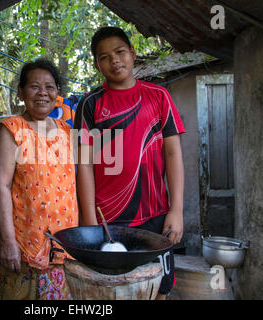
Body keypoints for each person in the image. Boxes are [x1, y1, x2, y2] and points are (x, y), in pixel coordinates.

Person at [74, 27, 185, 300]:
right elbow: (84, 165)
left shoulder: (159, 97)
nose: (114, 60)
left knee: (160, 289)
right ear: (97, 64)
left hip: (155, 216)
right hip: (108, 220)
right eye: (104, 57)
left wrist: (177, 210)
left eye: (120, 52)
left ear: (133, 53)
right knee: (113, 293)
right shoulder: (89, 104)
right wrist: (90, 224)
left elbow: (173, 154)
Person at [0, 58, 78, 300]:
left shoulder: (66, 131)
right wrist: (9, 242)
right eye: (34, 86)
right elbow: (0, 186)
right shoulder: (12, 130)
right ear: (21, 92)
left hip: (63, 248)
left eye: (50, 87)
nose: (43, 93)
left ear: (57, 94)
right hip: (24, 248)